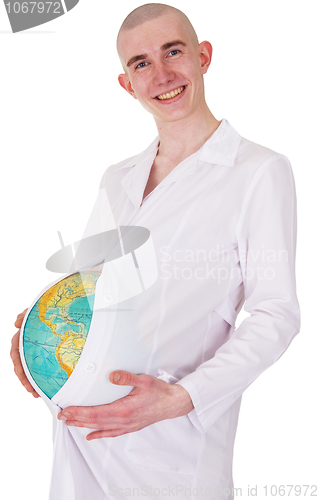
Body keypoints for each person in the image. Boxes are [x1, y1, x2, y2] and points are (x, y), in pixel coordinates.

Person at [11, 3, 301, 499]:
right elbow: (90, 288)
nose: (162, 74)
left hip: (174, 447)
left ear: (204, 56)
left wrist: (181, 399)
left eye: (174, 51)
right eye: (141, 63)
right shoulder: (117, 178)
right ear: (126, 83)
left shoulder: (257, 171)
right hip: (83, 429)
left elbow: (277, 314)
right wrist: (37, 333)